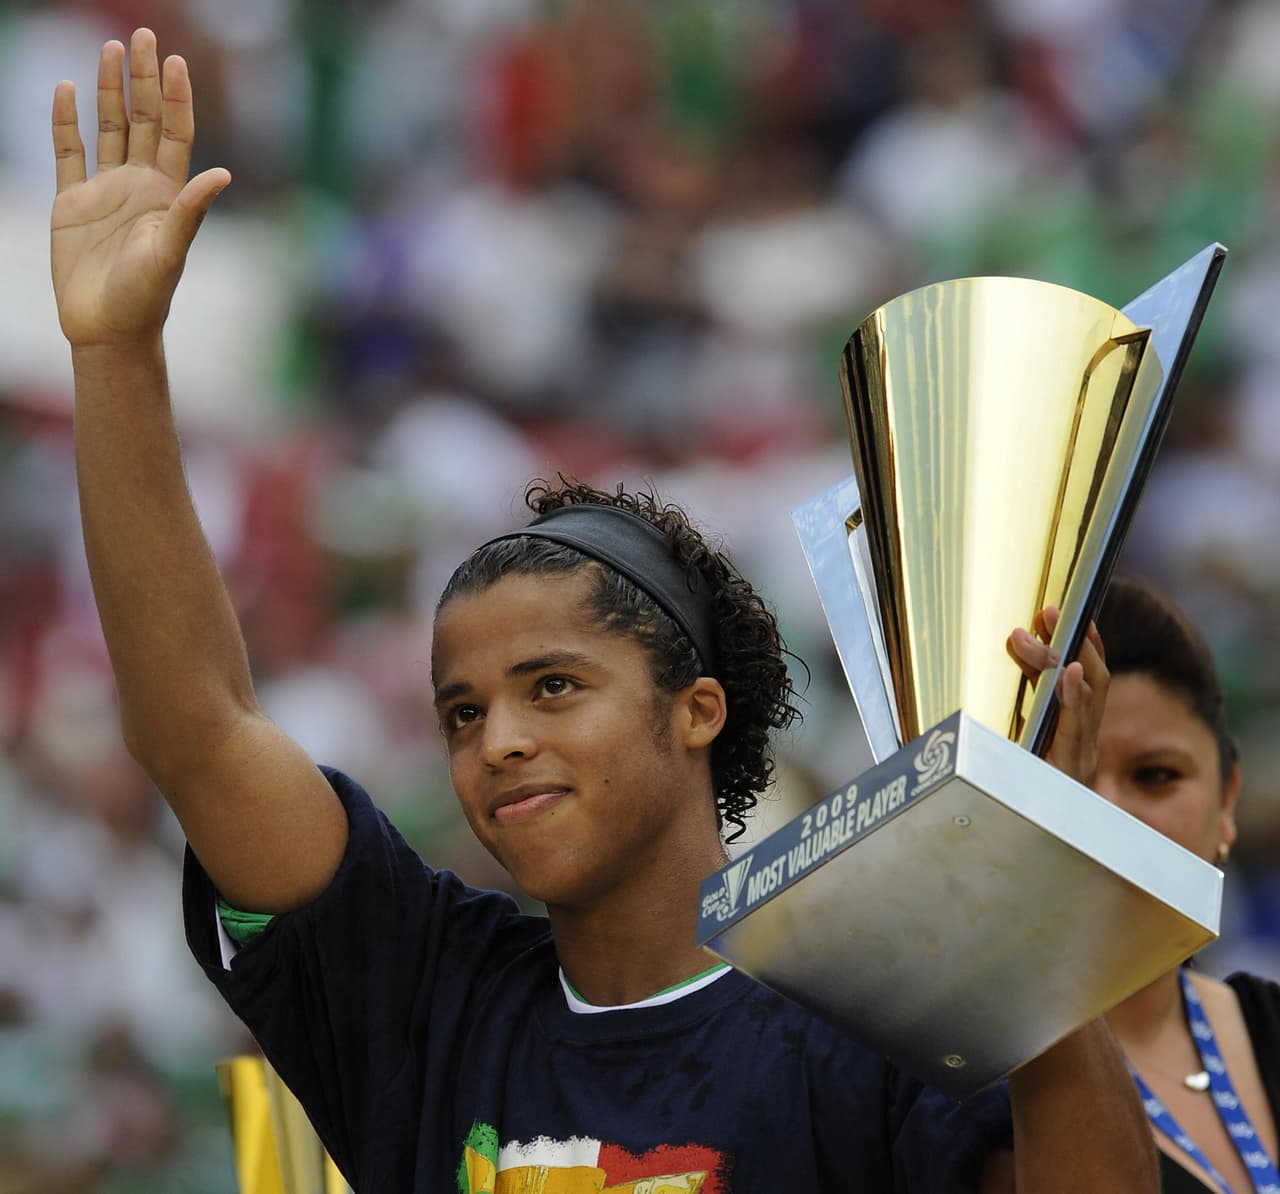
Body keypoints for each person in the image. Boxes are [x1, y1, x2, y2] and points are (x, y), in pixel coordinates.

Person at [49, 28, 1157, 1193]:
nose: (498, 741)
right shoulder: (420, 995)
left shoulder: (870, 1030)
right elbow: (201, 728)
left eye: (553, 687)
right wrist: (117, 354)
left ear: (695, 710)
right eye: (462, 715)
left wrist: (1036, 914)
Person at [1093, 576, 1280, 1194]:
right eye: (1069, 777)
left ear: (1227, 798)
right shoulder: (952, 1089)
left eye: (1155, 775)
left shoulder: (1272, 1025)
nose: (1109, 813)